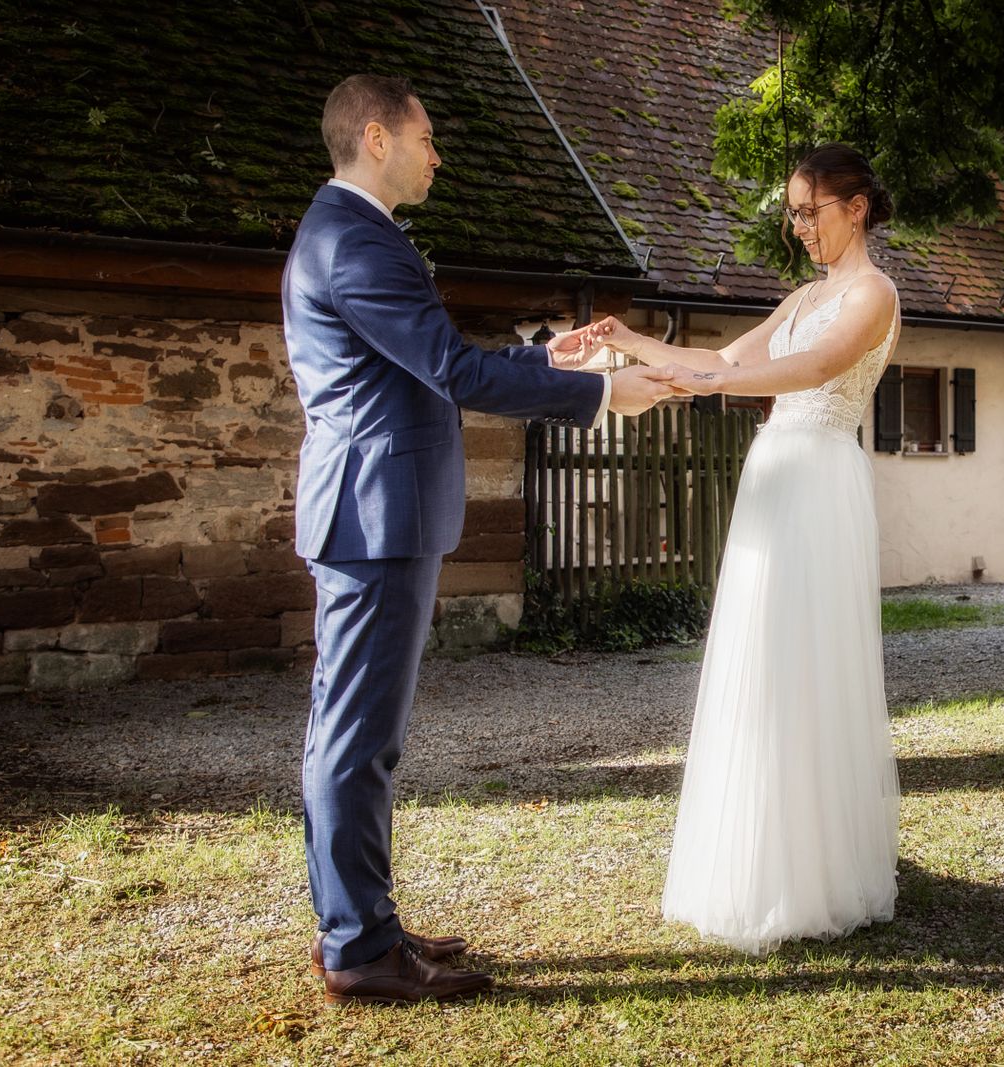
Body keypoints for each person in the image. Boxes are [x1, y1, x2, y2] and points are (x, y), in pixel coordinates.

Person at [283, 74, 673, 1006]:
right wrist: (602, 393)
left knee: (359, 731)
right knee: (356, 737)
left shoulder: (352, 234)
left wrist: (548, 356)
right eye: (427, 137)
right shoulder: (352, 241)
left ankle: (362, 924)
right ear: (377, 138)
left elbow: (428, 360)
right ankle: (357, 947)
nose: (437, 155)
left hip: (378, 513)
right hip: (373, 517)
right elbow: (453, 371)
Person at [588, 143, 902, 953]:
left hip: (822, 480)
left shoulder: (874, 294)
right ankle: (757, 854)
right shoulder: (804, 293)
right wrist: (631, 344)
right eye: (792, 212)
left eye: (810, 211)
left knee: (807, 665)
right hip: (773, 481)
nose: (799, 227)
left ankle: (814, 872)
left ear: (855, 207)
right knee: (759, 660)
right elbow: (724, 358)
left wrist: (713, 386)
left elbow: (813, 368)